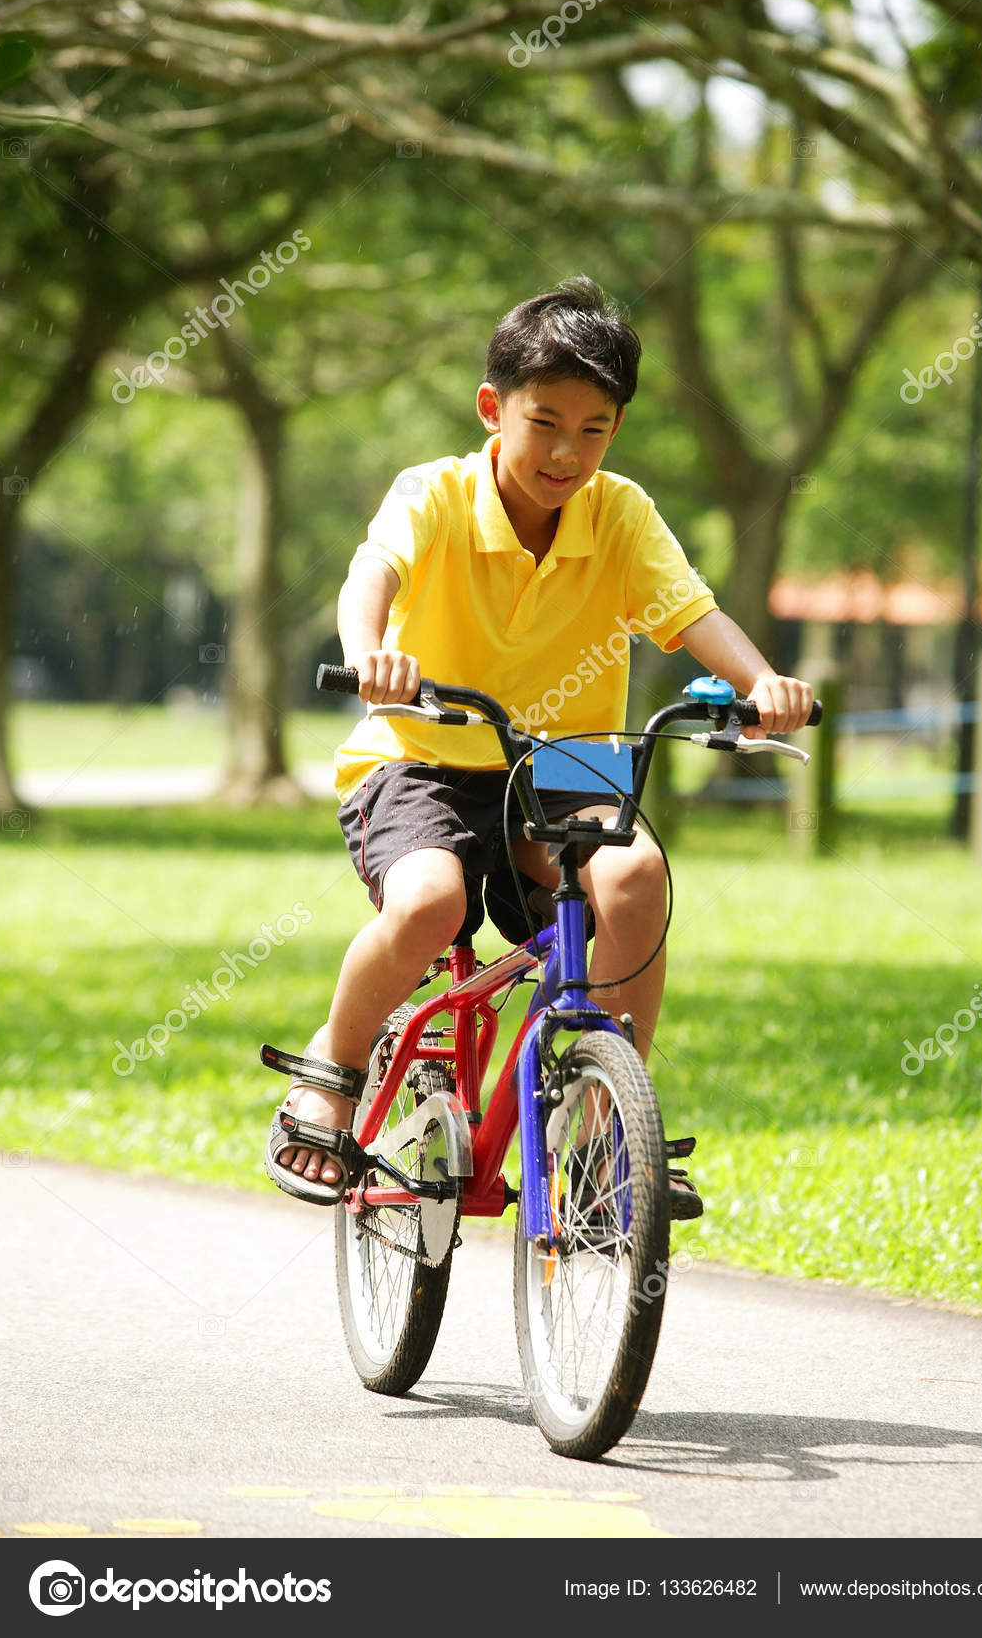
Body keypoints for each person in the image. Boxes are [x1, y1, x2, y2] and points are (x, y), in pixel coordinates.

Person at [264, 276, 812, 1205]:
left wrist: (761, 683)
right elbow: (373, 576)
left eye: (593, 429)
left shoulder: (621, 514)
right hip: (423, 750)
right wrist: (371, 659)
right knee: (431, 901)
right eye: (543, 422)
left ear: (616, 430)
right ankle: (333, 1067)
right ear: (493, 409)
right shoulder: (433, 493)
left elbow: (693, 615)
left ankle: (602, 1132)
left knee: (637, 879)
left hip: (563, 761)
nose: (567, 452)